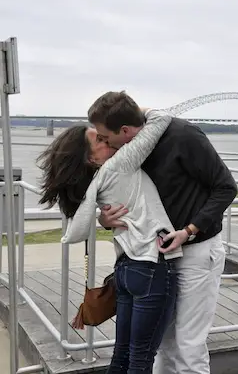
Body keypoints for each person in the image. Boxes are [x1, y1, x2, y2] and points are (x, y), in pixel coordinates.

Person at [88, 91, 238, 374]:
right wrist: (105, 220)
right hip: (155, 262)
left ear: (125, 130)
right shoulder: (129, 151)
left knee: (188, 345)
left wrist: (189, 231)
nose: (104, 143)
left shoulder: (183, 136)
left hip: (196, 252)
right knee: (161, 344)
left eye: (106, 137)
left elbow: (226, 187)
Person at [37, 107, 182, 373]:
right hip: (151, 266)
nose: (108, 141)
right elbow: (161, 118)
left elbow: (79, 220)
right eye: (100, 141)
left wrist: (101, 222)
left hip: (126, 270)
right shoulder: (120, 164)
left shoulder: (95, 182)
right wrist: (130, 111)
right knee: (141, 359)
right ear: (90, 158)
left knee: (122, 355)